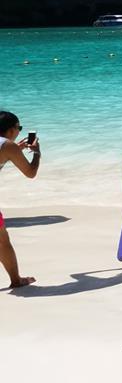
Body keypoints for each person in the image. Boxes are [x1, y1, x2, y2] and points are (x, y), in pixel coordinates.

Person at [0, 112, 40, 288]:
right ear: (10, 130)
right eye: (19, 128)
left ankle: (16, 280)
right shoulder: (8, 146)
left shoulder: (9, 146)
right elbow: (30, 173)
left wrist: (15, 149)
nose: (19, 131)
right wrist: (37, 153)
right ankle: (16, 281)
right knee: (2, 241)